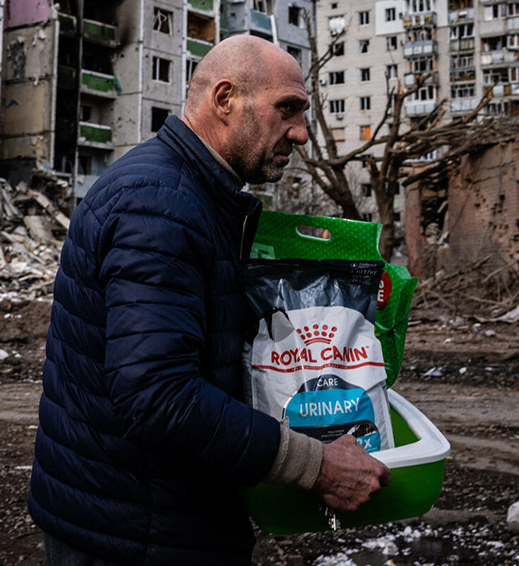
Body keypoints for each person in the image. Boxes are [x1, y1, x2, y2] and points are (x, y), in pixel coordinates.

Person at [29, 35, 389, 564]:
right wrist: (316, 464)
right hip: (136, 534)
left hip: (139, 517)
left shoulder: (190, 194)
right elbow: (157, 397)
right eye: (286, 109)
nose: (302, 133)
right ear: (225, 100)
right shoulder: (160, 205)